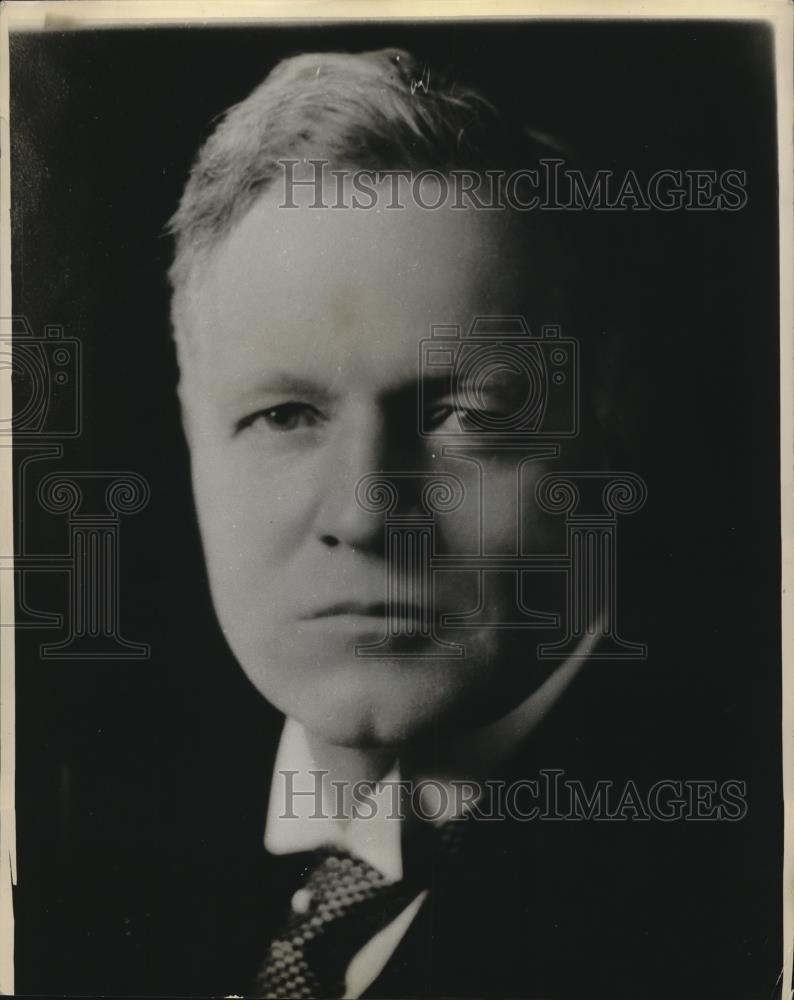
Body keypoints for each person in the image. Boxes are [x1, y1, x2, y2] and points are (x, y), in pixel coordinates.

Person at [162, 48, 725, 1000]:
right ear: (191, 428)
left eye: (462, 415)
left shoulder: (727, 885)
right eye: (284, 416)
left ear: (615, 408)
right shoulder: (84, 843)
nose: (363, 515)